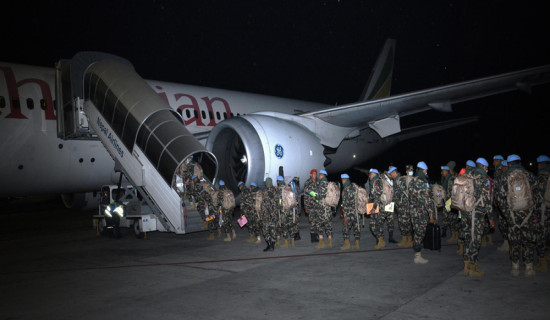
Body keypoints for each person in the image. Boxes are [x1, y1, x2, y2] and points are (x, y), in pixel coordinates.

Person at [495, 154, 538, 277]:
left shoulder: (505, 177)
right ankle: (529, 268)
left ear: (509, 164)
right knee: (528, 240)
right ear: (519, 163)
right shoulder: (529, 175)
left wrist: (507, 214)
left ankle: (515, 268)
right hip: (527, 214)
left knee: (514, 242)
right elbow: (536, 194)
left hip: (512, 215)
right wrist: (531, 209)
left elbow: (499, 198)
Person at [461, 158, 494, 277]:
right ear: (484, 167)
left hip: (465, 212)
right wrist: (490, 218)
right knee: (475, 240)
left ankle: (466, 265)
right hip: (477, 213)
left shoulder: (466, 175)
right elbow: (487, 200)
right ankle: (473, 268)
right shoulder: (483, 178)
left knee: (467, 238)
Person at [409, 161, 434, 264]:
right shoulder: (423, 182)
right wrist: (431, 214)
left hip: (413, 212)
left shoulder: (412, 181)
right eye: (426, 170)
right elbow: (427, 200)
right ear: (423, 170)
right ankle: (417, 256)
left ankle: (417, 253)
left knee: (416, 232)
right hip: (421, 212)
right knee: (420, 233)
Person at [534, 155, 550, 271]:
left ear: (540, 165)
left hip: (543, 211)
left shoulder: (540, 178)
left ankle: (542, 262)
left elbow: (536, 197)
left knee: (541, 236)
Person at [394, 165, 414, 248]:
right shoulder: (402, 179)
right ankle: (404, 239)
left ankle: (409, 240)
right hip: (402, 205)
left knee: (407, 223)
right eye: (408, 170)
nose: (409, 171)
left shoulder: (412, 180)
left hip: (407, 205)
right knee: (402, 222)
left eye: (410, 170)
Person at [340, 173, 361, 249]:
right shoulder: (354, 187)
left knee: (345, 228)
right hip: (356, 212)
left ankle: (347, 244)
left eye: (342, 180)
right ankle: (357, 243)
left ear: (344, 180)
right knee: (356, 227)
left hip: (349, 213)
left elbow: (345, 204)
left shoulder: (345, 189)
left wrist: (345, 216)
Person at [368, 168, 386, 249]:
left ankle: (381, 240)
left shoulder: (376, 183)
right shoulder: (373, 182)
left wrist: (373, 208)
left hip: (378, 207)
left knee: (375, 225)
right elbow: (372, 197)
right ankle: (381, 240)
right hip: (375, 206)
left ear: (375, 174)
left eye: (371, 174)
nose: (369, 176)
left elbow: (377, 197)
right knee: (376, 224)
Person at [315, 170, 333, 248]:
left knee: (319, 224)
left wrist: (315, 196)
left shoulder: (322, 183)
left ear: (322, 175)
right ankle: (329, 241)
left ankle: (321, 242)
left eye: (319, 175)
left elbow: (321, 195)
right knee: (328, 224)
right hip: (327, 208)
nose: (319, 176)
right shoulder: (328, 183)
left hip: (322, 208)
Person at [276, 176, 293, 248]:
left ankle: (285, 241)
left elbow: (279, 201)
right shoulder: (287, 187)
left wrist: (278, 207)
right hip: (289, 209)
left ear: (278, 181)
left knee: (284, 226)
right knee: (290, 225)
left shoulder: (280, 189)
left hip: (283, 211)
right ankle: (292, 241)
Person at [261, 177, 277, 251]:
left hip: (266, 216)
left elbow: (263, 205)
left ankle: (269, 244)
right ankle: (272, 245)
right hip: (274, 215)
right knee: (273, 230)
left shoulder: (264, 192)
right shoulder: (275, 191)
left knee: (265, 230)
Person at [304, 169, 319, 243]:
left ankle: (316, 234)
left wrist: (317, 197)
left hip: (317, 205)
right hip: (310, 205)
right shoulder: (308, 182)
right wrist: (306, 206)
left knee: (317, 221)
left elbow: (319, 193)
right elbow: (307, 194)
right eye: (314, 174)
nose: (315, 176)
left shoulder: (318, 182)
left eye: (316, 174)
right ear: (311, 175)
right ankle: (313, 236)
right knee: (312, 221)